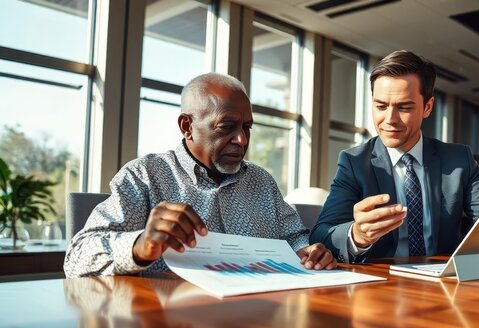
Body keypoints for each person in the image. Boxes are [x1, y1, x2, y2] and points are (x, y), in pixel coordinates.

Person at [65, 73, 336, 278]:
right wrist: (140, 245)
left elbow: (294, 237)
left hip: (253, 322)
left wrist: (308, 251)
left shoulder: (261, 181)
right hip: (170, 327)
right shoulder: (144, 177)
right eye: (226, 127)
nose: (242, 140)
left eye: (247, 127)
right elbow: (76, 259)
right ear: (187, 126)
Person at [310, 50, 479, 263]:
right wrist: (357, 236)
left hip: (444, 285)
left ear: (427, 107)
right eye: (380, 106)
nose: (390, 119)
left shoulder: (459, 160)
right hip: (378, 288)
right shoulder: (353, 162)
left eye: (404, 107)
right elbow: (321, 234)